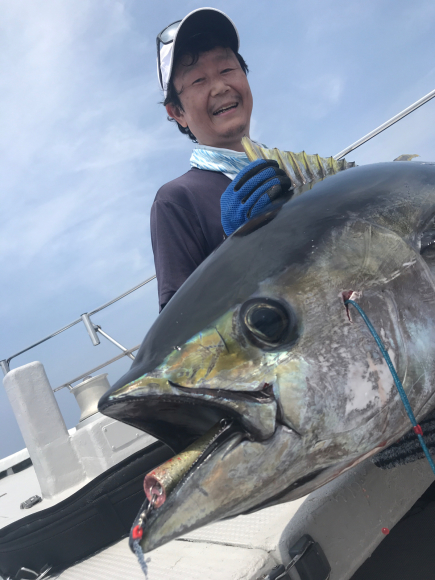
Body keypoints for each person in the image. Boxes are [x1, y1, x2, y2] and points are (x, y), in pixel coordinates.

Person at [151, 8, 291, 311]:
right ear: (177, 113)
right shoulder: (176, 200)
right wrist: (233, 245)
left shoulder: (289, 169)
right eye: (199, 80)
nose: (219, 87)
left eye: (227, 70)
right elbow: (178, 325)